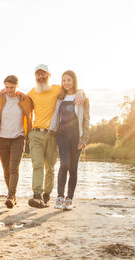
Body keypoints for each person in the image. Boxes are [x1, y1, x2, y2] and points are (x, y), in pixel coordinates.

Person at [27, 64, 85, 208]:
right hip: (37, 133)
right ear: (35, 77)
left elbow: (73, 89)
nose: (41, 76)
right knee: (39, 164)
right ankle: (37, 195)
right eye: (38, 74)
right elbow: (19, 100)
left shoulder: (57, 89)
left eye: (43, 73)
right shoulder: (32, 92)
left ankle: (47, 195)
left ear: (49, 75)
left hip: (53, 134)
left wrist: (81, 92)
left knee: (51, 167)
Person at [49, 70, 90, 210]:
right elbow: (55, 116)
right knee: (64, 164)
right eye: (63, 80)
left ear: (74, 81)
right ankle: (59, 197)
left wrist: (84, 139)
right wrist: (51, 131)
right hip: (62, 134)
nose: (66, 83)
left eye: (68, 80)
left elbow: (86, 120)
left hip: (76, 136)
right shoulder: (60, 98)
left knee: (73, 168)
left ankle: (69, 199)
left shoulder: (82, 98)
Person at [0, 75, 33, 208]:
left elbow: (33, 105)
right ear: (4, 87)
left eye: (12, 87)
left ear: (17, 87)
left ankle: (10, 195)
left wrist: (23, 94)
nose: (10, 90)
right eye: (7, 87)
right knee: (6, 170)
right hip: (2, 138)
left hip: (18, 137)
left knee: (13, 168)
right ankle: (12, 195)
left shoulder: (23, 99)